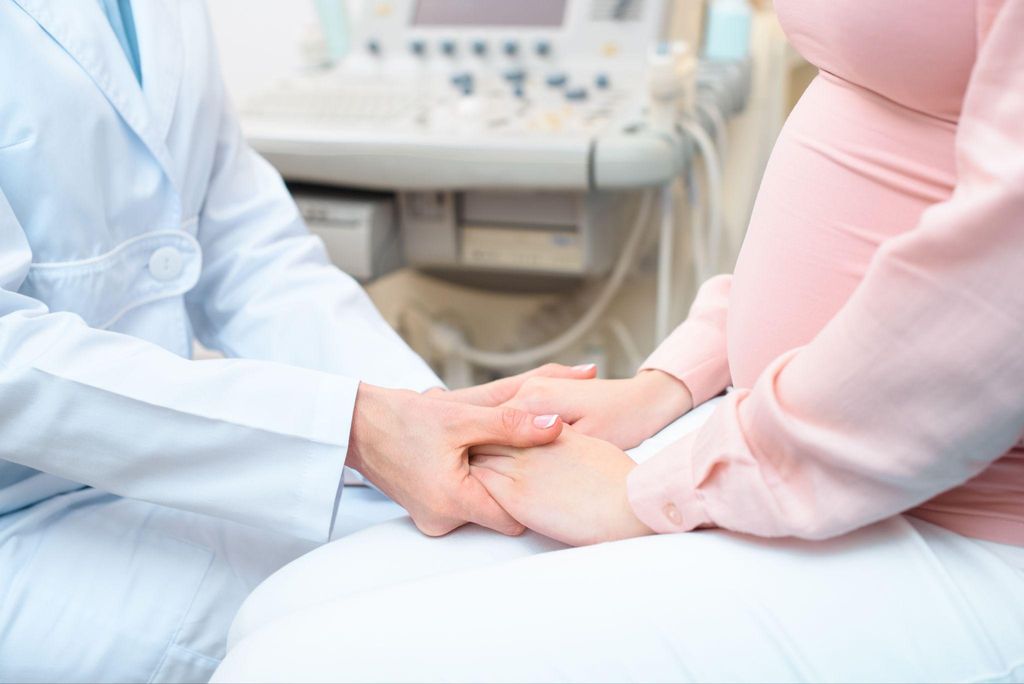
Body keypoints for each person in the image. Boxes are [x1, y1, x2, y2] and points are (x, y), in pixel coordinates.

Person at [213, 0, 1024, 680]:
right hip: (808, 436)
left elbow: (994, 283)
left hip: (966, 517)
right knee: (272, 612)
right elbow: (900, 180)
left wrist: (653, 496)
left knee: (287, 669)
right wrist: (672, 381)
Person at [0, 1, 597, 681]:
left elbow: (246, 248)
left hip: (146, 475)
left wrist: (429, 416)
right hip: (17, 517)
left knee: (478, 570)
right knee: (401, 634)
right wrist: (353, 428)